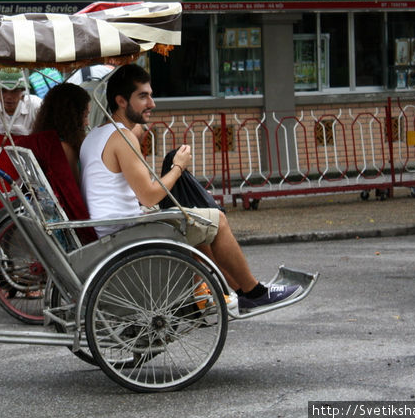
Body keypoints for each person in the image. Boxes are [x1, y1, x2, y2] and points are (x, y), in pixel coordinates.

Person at [79, 63, 302, 311]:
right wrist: (178, 166)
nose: (151, 104)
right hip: (125, 233)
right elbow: (150, 195)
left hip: (114, 228)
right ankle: (255, 292)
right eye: (143, 96)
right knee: (217, 219)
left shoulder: (96, 134)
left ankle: (231, 291)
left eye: (151, 95)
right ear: (121, 100)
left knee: (197, 221)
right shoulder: (122, 137)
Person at [30, 82, 90, 183]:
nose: (87, 123)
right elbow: (75, 190)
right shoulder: (65, 148)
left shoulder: (42, 140)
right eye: (84, 116)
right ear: (70, 117)